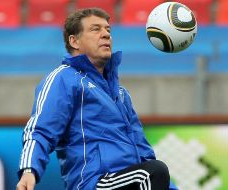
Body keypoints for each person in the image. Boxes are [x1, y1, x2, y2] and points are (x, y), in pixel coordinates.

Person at [16, 8, 177, 190]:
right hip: (93, 182)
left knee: (154, 172)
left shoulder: (121, 94)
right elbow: (40, 130)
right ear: (74, 41)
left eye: (108, 30)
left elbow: (144, 154)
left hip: (129, 178)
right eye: (95, 29)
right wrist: (29, 169)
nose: (106, 35)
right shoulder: (63, 79)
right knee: (152, 173)